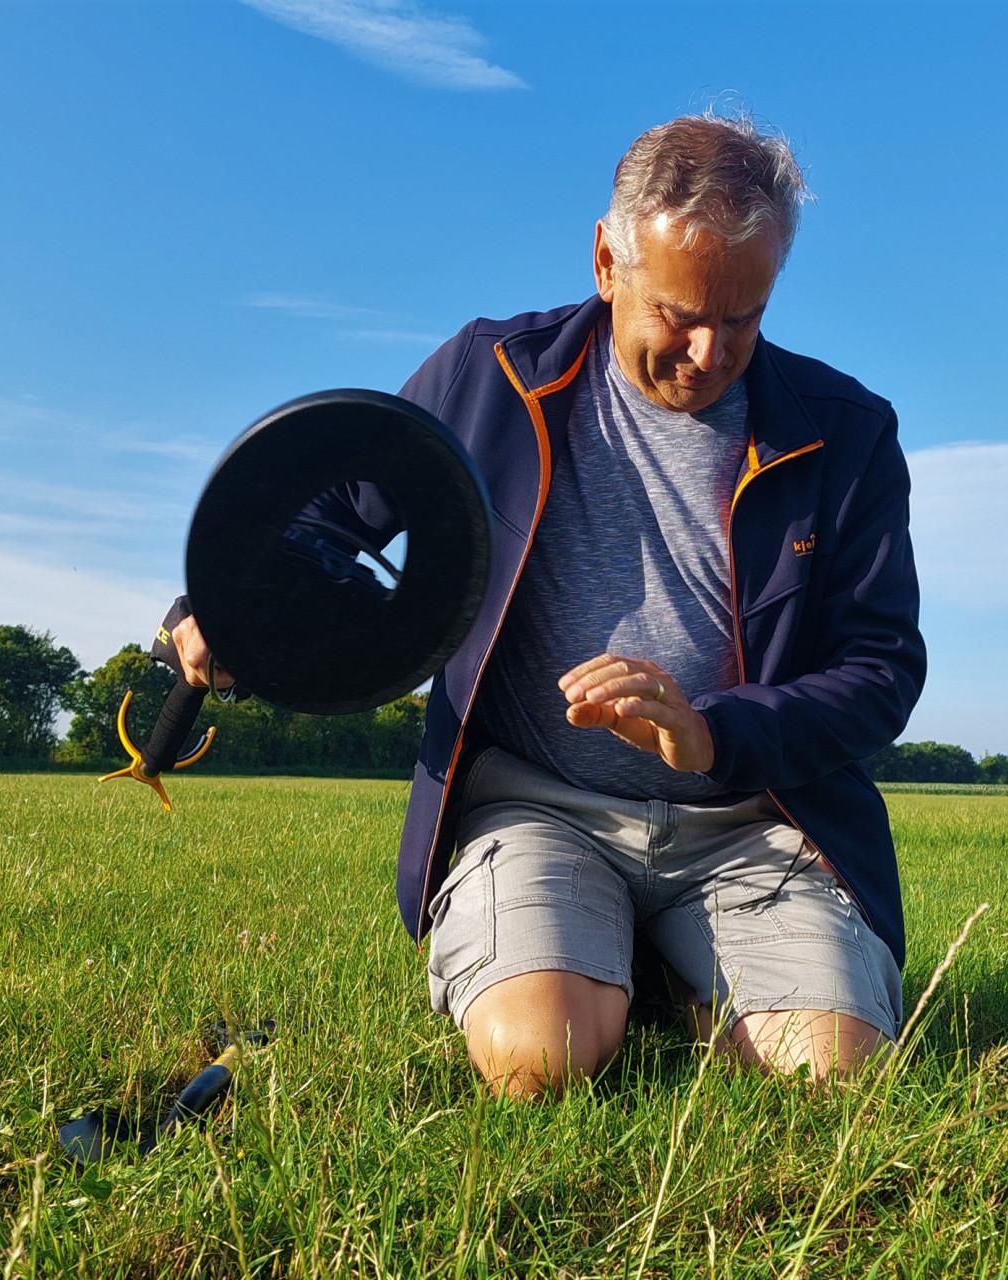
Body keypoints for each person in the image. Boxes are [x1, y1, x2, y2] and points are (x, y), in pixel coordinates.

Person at [174, 112, 926, 1098]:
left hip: (752, 817)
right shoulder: (488, 376)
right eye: (678, 312)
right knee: (538, 1061)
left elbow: (880, 668)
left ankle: (663, 970)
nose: (707, 350)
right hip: (534, 802)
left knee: (835, 1076)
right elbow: (329, 515)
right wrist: (225, 608)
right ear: (607, 261)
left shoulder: (847, 432)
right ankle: (600, 971)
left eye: (741, 317)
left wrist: (713, 732)